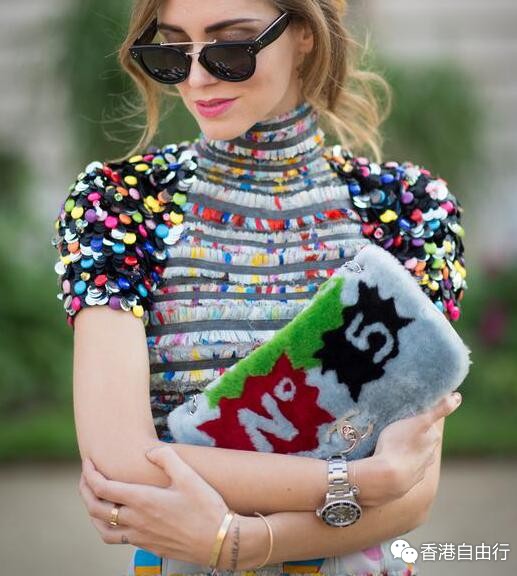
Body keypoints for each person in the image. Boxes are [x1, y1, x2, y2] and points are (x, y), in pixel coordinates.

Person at [51, 0, 468, 575]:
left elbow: (413, 494)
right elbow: (122, 463)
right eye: (172, 51)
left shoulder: (408, 207)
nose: (197, 79)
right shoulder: (119, 202)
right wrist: (360, 480)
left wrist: (238, 540)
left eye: (230, 47)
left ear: (304, 34)